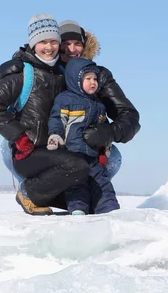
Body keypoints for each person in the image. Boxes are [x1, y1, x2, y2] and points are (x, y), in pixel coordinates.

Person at [0, 14, 90, 215]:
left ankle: (54, 198)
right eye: (42, 42)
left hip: (56, 151)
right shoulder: (23, 73)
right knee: (78, 166)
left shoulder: (61, 73)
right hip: (29, 153)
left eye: (53, 42)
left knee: (91, 200)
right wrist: (20, 138)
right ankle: (29, 193)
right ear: (33, 44)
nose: (48, 47)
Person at [57, 20, 141, 180]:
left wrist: (108, 132)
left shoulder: (99, 76)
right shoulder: (42, 73)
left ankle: (92, 195)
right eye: (65, 43)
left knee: (113, 158)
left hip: (85, 146)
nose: (71, 49)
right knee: (11, 148)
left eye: (77, 43)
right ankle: (33, 193)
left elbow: (129, 115)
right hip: (51, 144)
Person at [47, 58, 120, 215]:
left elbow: (103, 128)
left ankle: (109, 210)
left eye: (95, 79)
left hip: (92, 155)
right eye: (88, 79)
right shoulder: (65, 99)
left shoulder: (99, 105)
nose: (93, 82)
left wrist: (106, 145)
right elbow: (57, 119)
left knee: (102, 182)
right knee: (77, 183)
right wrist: (55, 135)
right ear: (76, 79)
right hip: (72, 153)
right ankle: (78, 209)